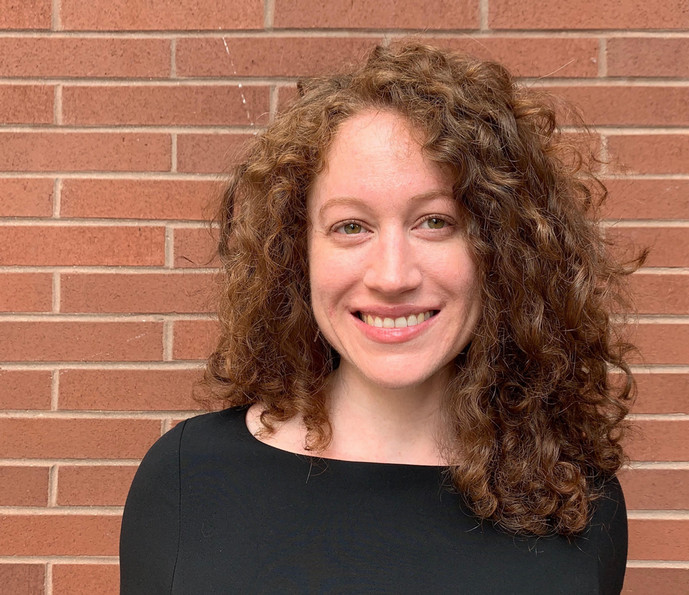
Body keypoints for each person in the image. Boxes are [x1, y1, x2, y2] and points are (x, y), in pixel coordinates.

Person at [120, 42, 640, 594]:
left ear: (505, 249)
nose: (392, 277)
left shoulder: (577, 501)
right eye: (351, 226)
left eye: (435, 221)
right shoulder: (188, 479)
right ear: (297, 253)